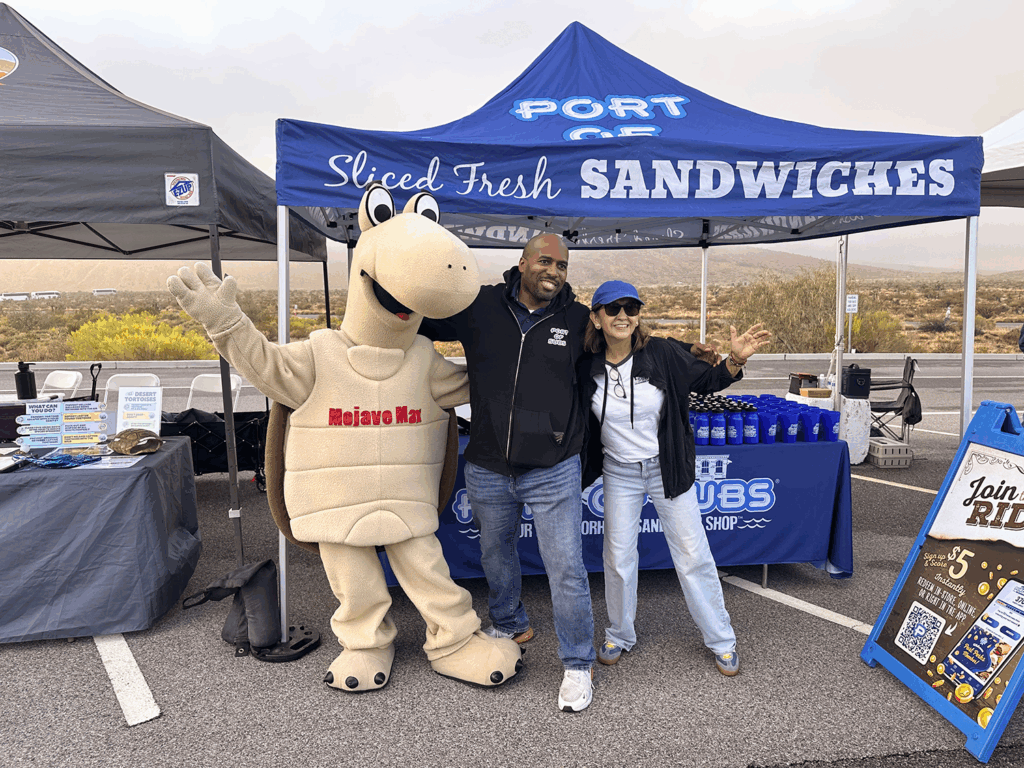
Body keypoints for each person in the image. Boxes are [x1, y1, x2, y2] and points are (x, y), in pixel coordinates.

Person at [421, 233, 598, 711]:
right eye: (546, 261)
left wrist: (710, 361)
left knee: (565, 570)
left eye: (562, 265)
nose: (555, 271)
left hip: (553, 468)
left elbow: (631, 343)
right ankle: (509, 622)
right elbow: (422, 320)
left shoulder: (578, 320)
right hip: (488, 465)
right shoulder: (479, 307)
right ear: (521, 263)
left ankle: (578, 665)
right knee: (495, 553)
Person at [580, 280, 770, 677]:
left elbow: (709, 380)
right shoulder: (585, 365)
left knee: (692, 555)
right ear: (596, 318)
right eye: (612, 309)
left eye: (631, 308)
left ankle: (722, 639)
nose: (623, 316)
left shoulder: (661, 354)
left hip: (665, 466)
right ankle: (619, 632)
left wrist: (734, 361)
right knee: (617, 557)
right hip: (618, 470)